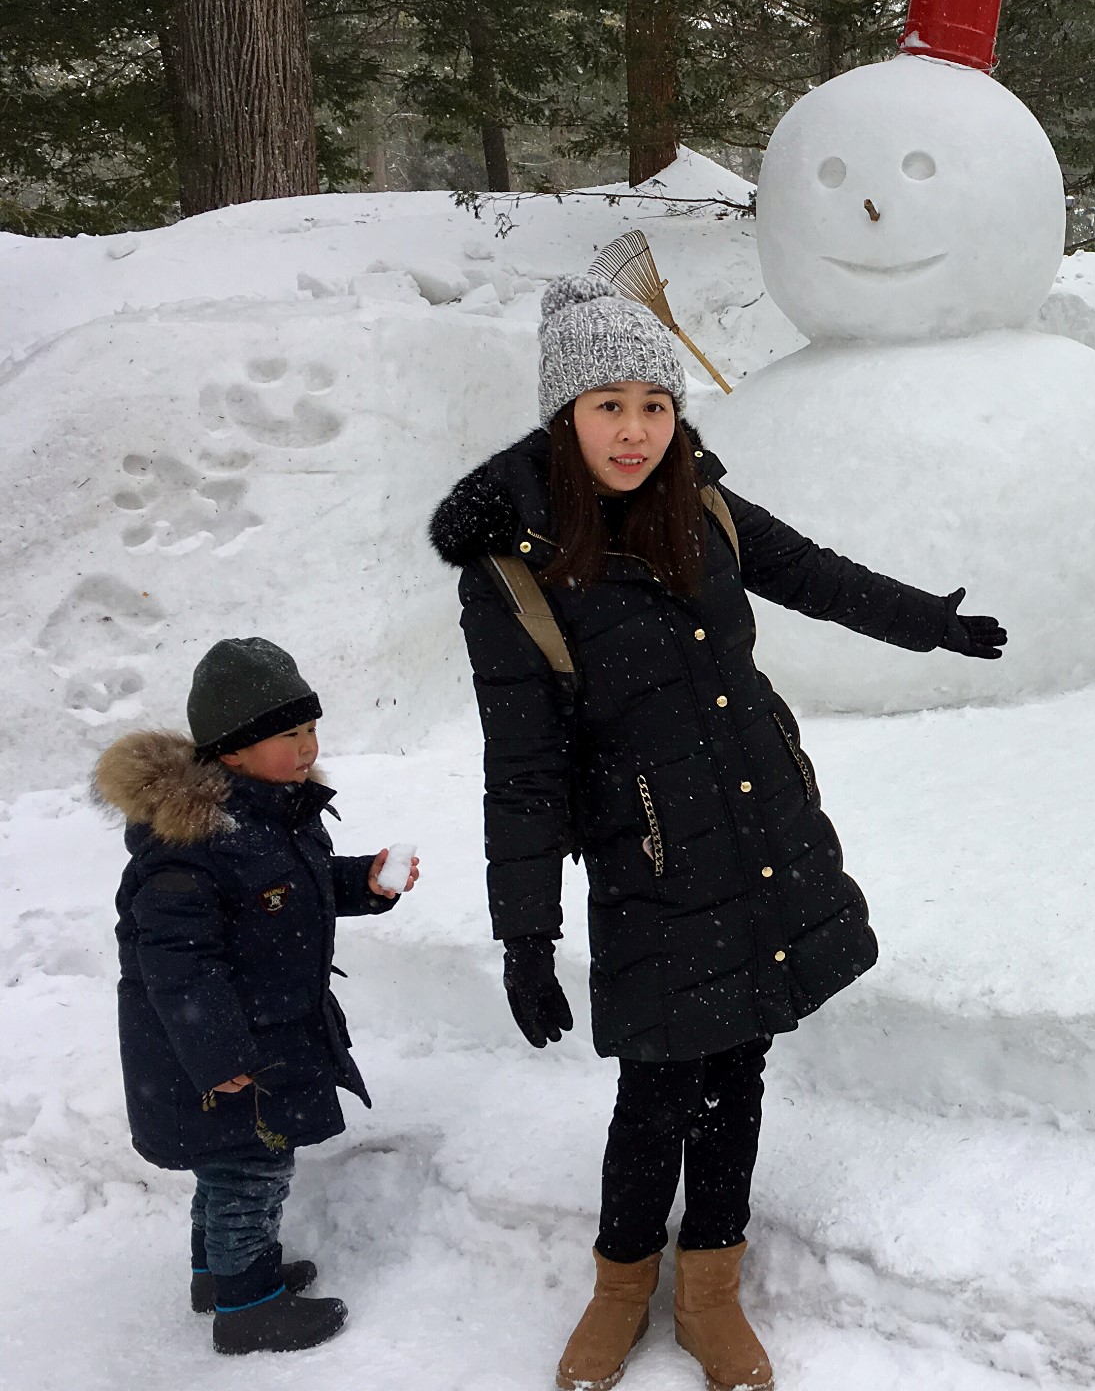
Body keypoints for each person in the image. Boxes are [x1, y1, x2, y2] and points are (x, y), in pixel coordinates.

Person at [430, 275, 1005, 1391]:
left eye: (654, 402)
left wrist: (924, 622)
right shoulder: (514, 567)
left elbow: (814, 575)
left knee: (736, 1064)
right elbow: (525, 768)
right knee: (655, 1082)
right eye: (608, 404)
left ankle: (710, 1294)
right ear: (563, 416)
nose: (635, 429)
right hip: (648, 859)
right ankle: (618, 1288)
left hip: (755, 826)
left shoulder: (704, 505)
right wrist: (525, 935)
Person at [93, 637, 419, 1355]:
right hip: (219, 1050)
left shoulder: (270, 816)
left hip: (250, 1037)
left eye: (310, 729)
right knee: (252, 1166)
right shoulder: (191, 844)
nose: (307, 747)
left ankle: (215, 1275)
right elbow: (177, 960)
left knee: (227, 1164)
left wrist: (361, 881)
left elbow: (289, 895)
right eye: (288, 735)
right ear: (233, 751)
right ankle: (248, 1309)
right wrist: (217, 1052)